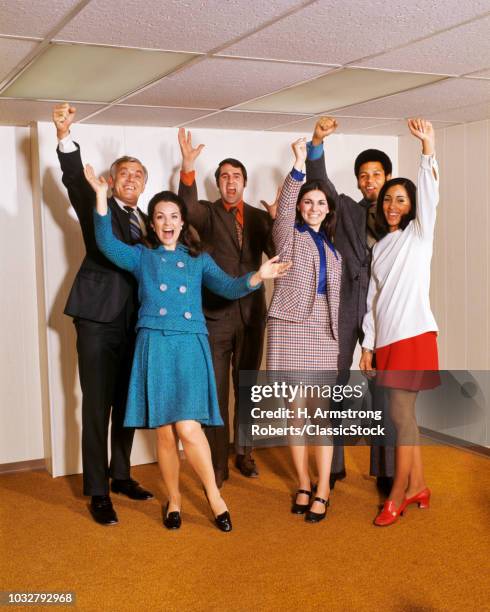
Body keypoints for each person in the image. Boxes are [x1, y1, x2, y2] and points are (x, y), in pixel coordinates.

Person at [85, 165, 290, 531]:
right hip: (155, 346)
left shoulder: (198, 259)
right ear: (153, 224)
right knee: (165, 432)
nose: (167, 223)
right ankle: (175, 500)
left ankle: (214, 496)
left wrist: (259, 276)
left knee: (189, 429)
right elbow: (105, 244)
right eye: (160, 217)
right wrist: (101, 197)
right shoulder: (141, 256)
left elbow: (228, 287)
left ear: (182, 223)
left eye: (174, 216)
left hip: (190, 346)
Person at [52, 103, 153, 526]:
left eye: (138, 175)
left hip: (135, 324)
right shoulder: (99, 207)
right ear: (112, 182)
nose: (131, 180)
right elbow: (75, 182)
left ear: (144, 185)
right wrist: (64, 138)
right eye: (124, 174)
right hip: (96, 319)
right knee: (96, 405)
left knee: (126, 403)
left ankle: (121, 475)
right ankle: (97, 491)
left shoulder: (150, 221)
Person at [177, 129, 274, 487]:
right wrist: (188, 168)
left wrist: (277, 219)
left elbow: (280, 252)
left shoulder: (260, 218)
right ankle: (217, 465)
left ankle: (244, 453)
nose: (230, 182)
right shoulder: (205, 213)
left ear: (244, 182)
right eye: (224, 177)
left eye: (236, 177)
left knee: (246, 388)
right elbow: (185, 209)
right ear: (217, 183)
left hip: (251, 318)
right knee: (216, 394)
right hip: (215, 317)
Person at [304, 117, 395, 494]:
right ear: (358, 181)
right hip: (342, 308)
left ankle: (387, 471)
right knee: (335, 385)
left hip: (383, 311)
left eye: (376, 174)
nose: (369, 180)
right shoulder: (345, 210)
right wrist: (317, 144)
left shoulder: (401, 219)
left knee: (384, 390)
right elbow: (321, 183)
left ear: (388, 177)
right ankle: (334, 465)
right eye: (363, 175)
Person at [359, 118, 439, 526]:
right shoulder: (381, 247)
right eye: (388, 200)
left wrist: (427, 150)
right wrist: (368, 345)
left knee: (401, 417)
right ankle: (420, 484)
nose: (393, 205)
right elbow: (374, 302)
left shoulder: (419, 236)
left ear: (412, 207)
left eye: (401, 200)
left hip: (414, 337)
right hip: (387, 341)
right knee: (404, 417)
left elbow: (429, 193)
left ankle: (398, 496)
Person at [267, 137, 342, 523]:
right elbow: (280, 214)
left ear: (328, 210)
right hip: (291, 329)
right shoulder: (288, 235)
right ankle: (302, 482)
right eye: (308, 202)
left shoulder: (333, 249)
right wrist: (298, 164)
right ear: (299, 206)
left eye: (321, 203)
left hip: (323, 334)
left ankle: (324, 487)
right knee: (295, 416)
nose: (314, 208)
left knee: (321, 417)